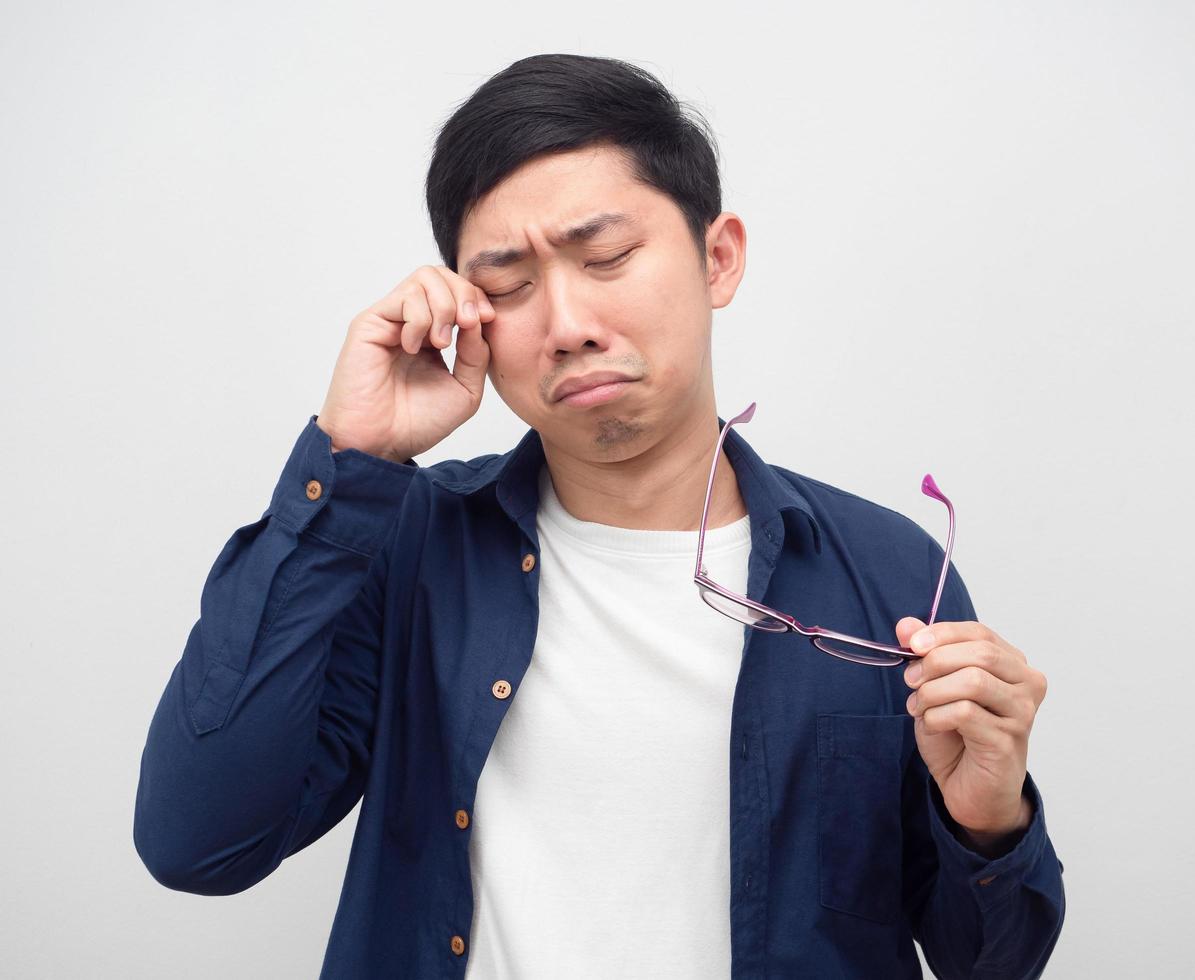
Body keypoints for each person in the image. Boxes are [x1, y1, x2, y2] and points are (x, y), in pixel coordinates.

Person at [133, 53, 1066, 979]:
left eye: (607, 257)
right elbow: (198, 843)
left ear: (717, 258)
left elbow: (992, 960)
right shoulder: (407, 545)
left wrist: (987, 815)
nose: (567, 321)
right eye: (506, 286)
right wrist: (352, 462)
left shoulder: (884, 570)